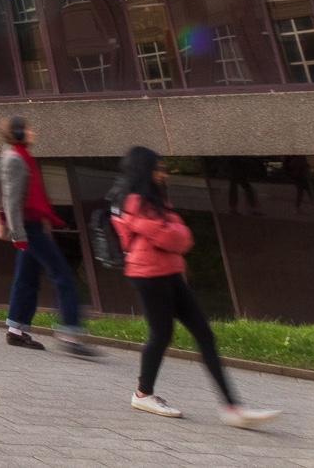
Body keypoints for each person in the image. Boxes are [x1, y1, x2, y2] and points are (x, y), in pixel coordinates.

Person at [114, 146, 282, 427]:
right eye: (158, 168)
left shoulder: (154, 200)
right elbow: (169, 237)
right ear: (145, 170)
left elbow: (182, 236)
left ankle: (231, 407)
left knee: (204, 334)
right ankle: (143, 394)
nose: (163, 173)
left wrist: (173, 234)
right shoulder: (133, 202)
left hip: (169, 273)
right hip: (148, 275)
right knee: (161, 334)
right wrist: (173, 233)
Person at [0, 115, 96, 356]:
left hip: (32, 227)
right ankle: (70, 333)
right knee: (63, 276)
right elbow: (12, 200)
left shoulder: (21, 156)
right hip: (28, 230)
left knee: (27, 278)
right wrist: (18, 234)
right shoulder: (15, 159)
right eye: (28, 129)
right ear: (18, 132)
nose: (33, 132)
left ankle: (16, 330)